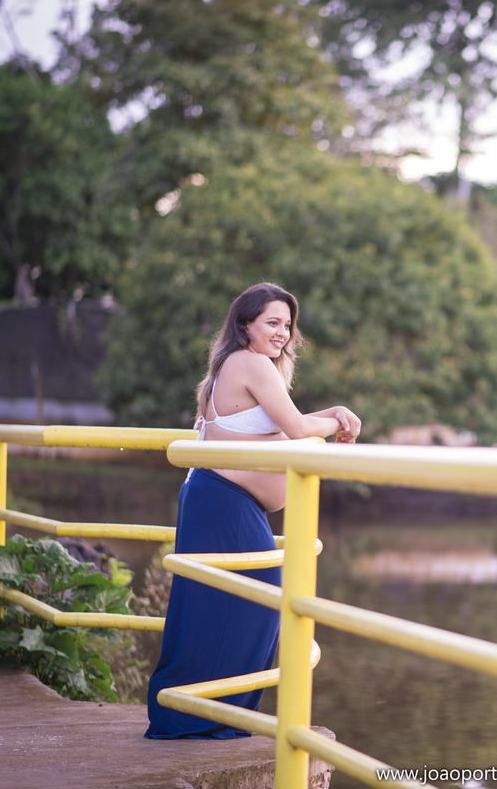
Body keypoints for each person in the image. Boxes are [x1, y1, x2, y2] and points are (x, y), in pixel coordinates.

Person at [146, 282, 360, 739]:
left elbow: (287, 424)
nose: (282, 332)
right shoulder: (252, 363)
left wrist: (335, 413)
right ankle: (205, 717)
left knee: (219, 605)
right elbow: (298, 428)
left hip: (219, 498)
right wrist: (338, 421)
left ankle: (203, 715)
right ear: (246, 325)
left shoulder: (236, 364)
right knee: (252, 603)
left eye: (287, 325)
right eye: (272, 322)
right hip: (223, 501)